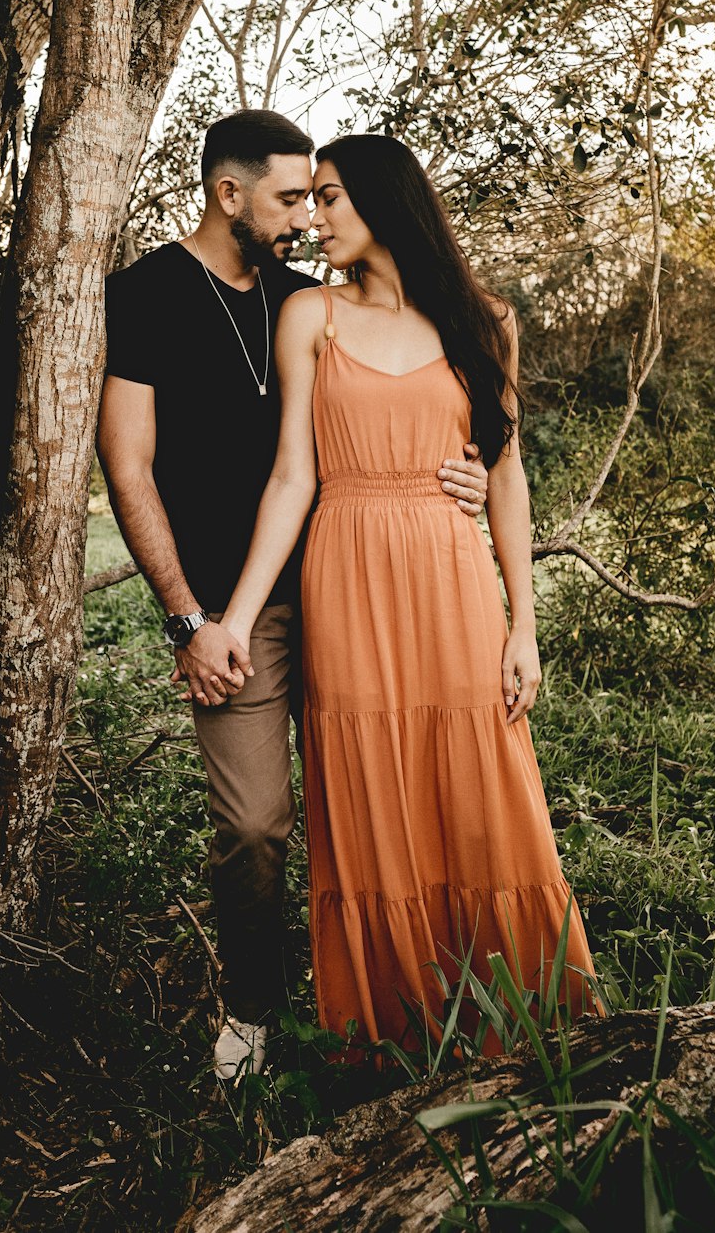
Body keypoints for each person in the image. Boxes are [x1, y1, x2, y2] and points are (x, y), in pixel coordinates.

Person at [96, 111, 490, 1083]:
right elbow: (128, 464)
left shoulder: (309, 296)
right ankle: (253, 1011)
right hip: (235, 611)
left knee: (388, 792)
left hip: (351, 589)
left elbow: (402, 394)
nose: (306, 218)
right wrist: (190, 616)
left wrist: (467, 468)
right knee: (256, 825)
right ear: (228, 194)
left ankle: (401, 992)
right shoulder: (144, 295)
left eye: (317, 198)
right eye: (288, 199)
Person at [220, 134, 599, 1057]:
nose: (316, 219)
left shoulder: (485, 320)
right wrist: (233, 618)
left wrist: (526, 626)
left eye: (333, 198)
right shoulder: (313, 316)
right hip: (346, 576)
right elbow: (291, 480)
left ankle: (516, 1014)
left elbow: (504, 481)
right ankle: (395, 1027)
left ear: (386, 203)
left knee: (478, 778)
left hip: (450, 574)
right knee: (369, 780)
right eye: (307, 200)